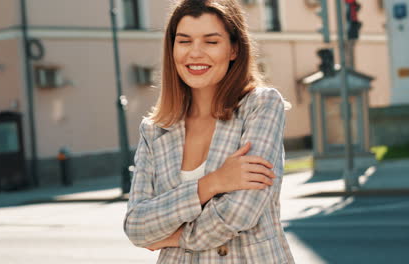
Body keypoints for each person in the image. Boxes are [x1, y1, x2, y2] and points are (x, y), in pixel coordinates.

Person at [123, 0, 295, 263]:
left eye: (211, 42)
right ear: (172, 49)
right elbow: (137, 227)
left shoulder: (260, 106)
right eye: (184, 41)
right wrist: (213, 183)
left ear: (234, 49)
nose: (195, 53)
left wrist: (175, 238)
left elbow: (240, 212)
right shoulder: (155, 130)